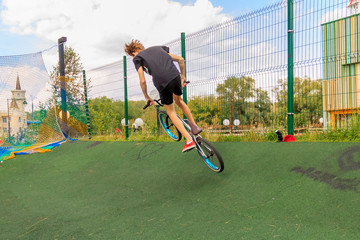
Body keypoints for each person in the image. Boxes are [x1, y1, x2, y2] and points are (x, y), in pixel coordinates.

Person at [124, 40, 201, 152]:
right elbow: (180, 59)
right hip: (175, 76)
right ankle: (195, 127)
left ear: (133, 53)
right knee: (179, 101)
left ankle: (189, 140)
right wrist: (182, 76)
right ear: (141, 47)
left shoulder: (137, 58)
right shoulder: (158, 49)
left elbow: (142, 81)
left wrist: (146, 97)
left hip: (162, 83)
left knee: (171, 111)